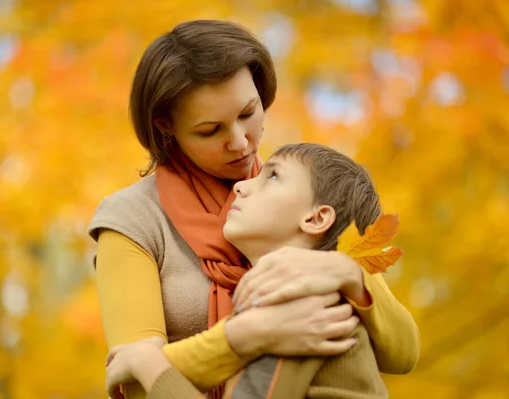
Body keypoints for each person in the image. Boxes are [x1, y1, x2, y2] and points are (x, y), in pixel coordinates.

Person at [87, 19, 419, 399]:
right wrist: (247, 336)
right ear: (167, 126)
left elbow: (403, 352)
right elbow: (135, 380)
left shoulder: (303, 194)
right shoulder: (133, 219)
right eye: (210, 130)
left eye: (248, 113)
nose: (241, 142)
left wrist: (346, 271)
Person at [104, 142, 391, 398]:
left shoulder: (299, 308)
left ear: (316, 218)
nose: (241, 186)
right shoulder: (312, 297)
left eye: (273, 176)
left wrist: (148, 363)